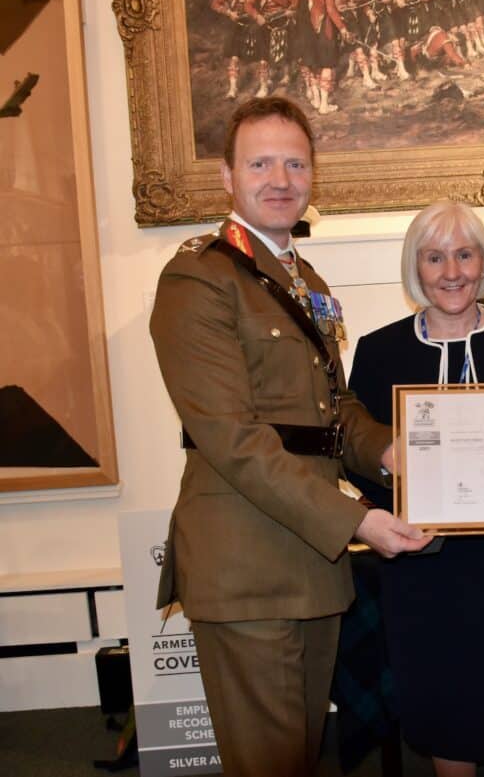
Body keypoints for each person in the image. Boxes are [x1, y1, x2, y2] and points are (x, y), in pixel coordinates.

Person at [149, 96, 430, 777]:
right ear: (227, 177)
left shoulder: (306, 282)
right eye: (260, 162)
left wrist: (395, 452)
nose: (280, 178)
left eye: (295, 162)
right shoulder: (198, 276)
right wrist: (359, 515)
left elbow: (337, 411)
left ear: (313, 174)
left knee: (298, 757)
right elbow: (234, 438)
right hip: (245, 561)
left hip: (311, 563)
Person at [346, 200, 484, 777]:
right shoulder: (378, 351)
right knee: (443, 709)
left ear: (483, 262)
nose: (451, 271)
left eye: (465, 254)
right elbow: (357, 461)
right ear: (414, 267)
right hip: (425, 566)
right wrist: (400, 471)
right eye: (435, 256)